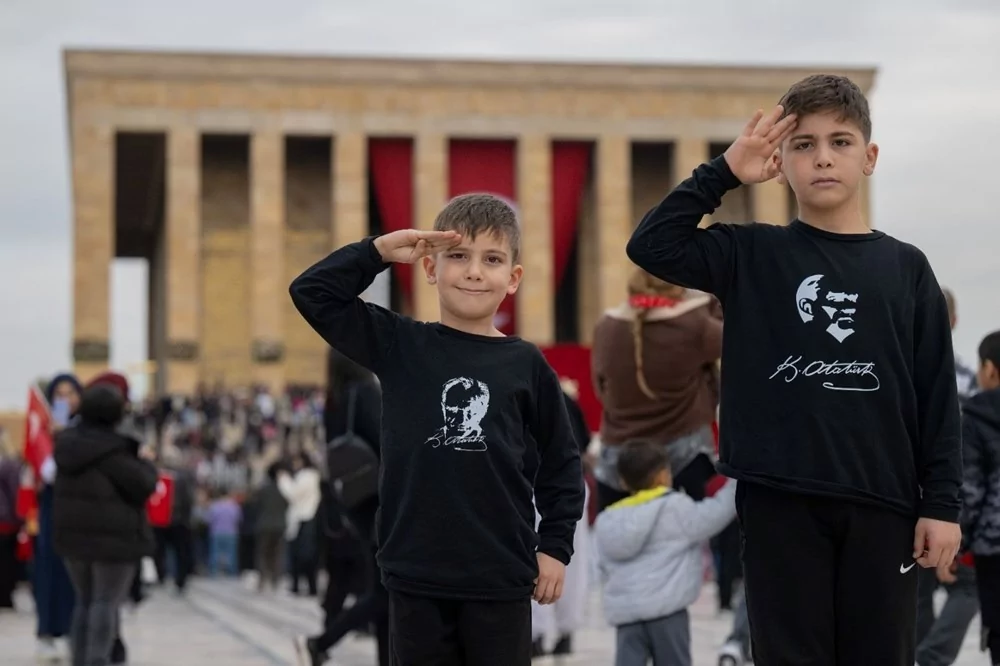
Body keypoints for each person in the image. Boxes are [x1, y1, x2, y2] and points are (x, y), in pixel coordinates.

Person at [625, 74, 962, 665]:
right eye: (803, 144)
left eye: (840, 141)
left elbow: (937, 396)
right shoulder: (752, 254)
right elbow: (652, 246)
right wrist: (724, 171)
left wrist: (942, 505)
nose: (823, 157)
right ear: (779, 160)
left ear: (870, 156)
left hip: (882, 503)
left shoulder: (907, 268)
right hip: (779, 497)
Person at [289, 193, 585, 665]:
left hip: (501, 575)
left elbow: (561, 462)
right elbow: (312, 293)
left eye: (491, 259)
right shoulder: (401, 343)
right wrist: (379, 252)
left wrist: (554, 546)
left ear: (512, 279)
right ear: (430, 268)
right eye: (458, 256)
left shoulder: (525, 363)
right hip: (415, 572)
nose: (473, 271)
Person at [591, 268, 722, 512]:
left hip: (619, 465)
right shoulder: (694, 325)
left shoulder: (606, 326)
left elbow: (601, 389)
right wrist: (704, 299)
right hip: (684, 460)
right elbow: (734, 329)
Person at [595, 440, 736, 666]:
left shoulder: (608, 520)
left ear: (622, 480)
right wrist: (736, 482)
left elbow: (603, 566)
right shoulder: (674, 509)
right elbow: (715, 515)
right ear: (663, 475)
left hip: (627, 614)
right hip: (668, 611)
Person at [52, 384, 158, 666]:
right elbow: (144, 485)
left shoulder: (67, 446)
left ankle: (81, 659)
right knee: (105, 603)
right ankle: (97, 660)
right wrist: (147, 462)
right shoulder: (114, 450)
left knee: (84, 602)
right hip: (114, 540)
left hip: (73, 539)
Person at [295, 348, 388, 666]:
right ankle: (321, 642)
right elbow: (384, 441)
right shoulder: (366, 392)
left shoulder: (333, 400)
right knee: (385, 591)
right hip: (381, 498)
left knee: (382, 587)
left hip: (355, 501)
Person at [960, 330, 1000, 664]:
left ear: (990, 369)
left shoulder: (975, 418)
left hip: (994, 547)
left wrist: (959, 545)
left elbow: (970, 492)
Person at [278, 452, 322, 596]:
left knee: (301, 555)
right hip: (304, 519)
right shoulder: (311, 476)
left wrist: (283, 480)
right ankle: (306, 586)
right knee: (303, 555)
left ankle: (303, 586)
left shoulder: (307, 476)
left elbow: (293, 494)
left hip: (305, 518)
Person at [253, 461, 288, 593]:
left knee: (262, 553)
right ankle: (275, 579)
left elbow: (256, 505)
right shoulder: (283, 489)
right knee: (277, 554)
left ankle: (262, 578)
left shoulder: (264, 489)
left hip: (264, 524)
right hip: (280, 525)